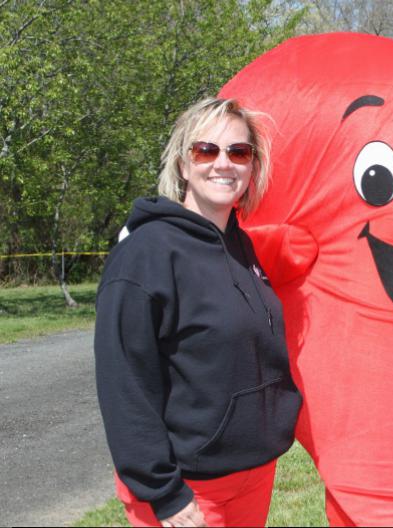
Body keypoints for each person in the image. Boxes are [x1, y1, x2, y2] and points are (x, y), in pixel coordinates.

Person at [94, 98, 302, 527]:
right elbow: (124, 383)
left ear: (252, 166)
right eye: (206, 150)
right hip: (188, 490)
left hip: (251, 476)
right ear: (183, 164)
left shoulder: (241, 248)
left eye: (238, 152)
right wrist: (164, 493)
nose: (223, 163)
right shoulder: (146, 254)